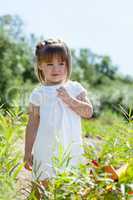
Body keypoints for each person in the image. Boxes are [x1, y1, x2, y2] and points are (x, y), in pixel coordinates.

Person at [24, 38, 93, 189]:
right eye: (50, 64)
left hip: (70, 147)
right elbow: (32, 124)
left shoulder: (75, 88)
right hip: (45, 149)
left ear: (68, 64)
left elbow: (88, 112)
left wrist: (70, 100)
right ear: (40, 66)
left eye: (61, 63)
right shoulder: (38, 93)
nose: (56, 69)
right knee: (41, 189)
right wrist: (27, 152)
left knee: (70, 188)